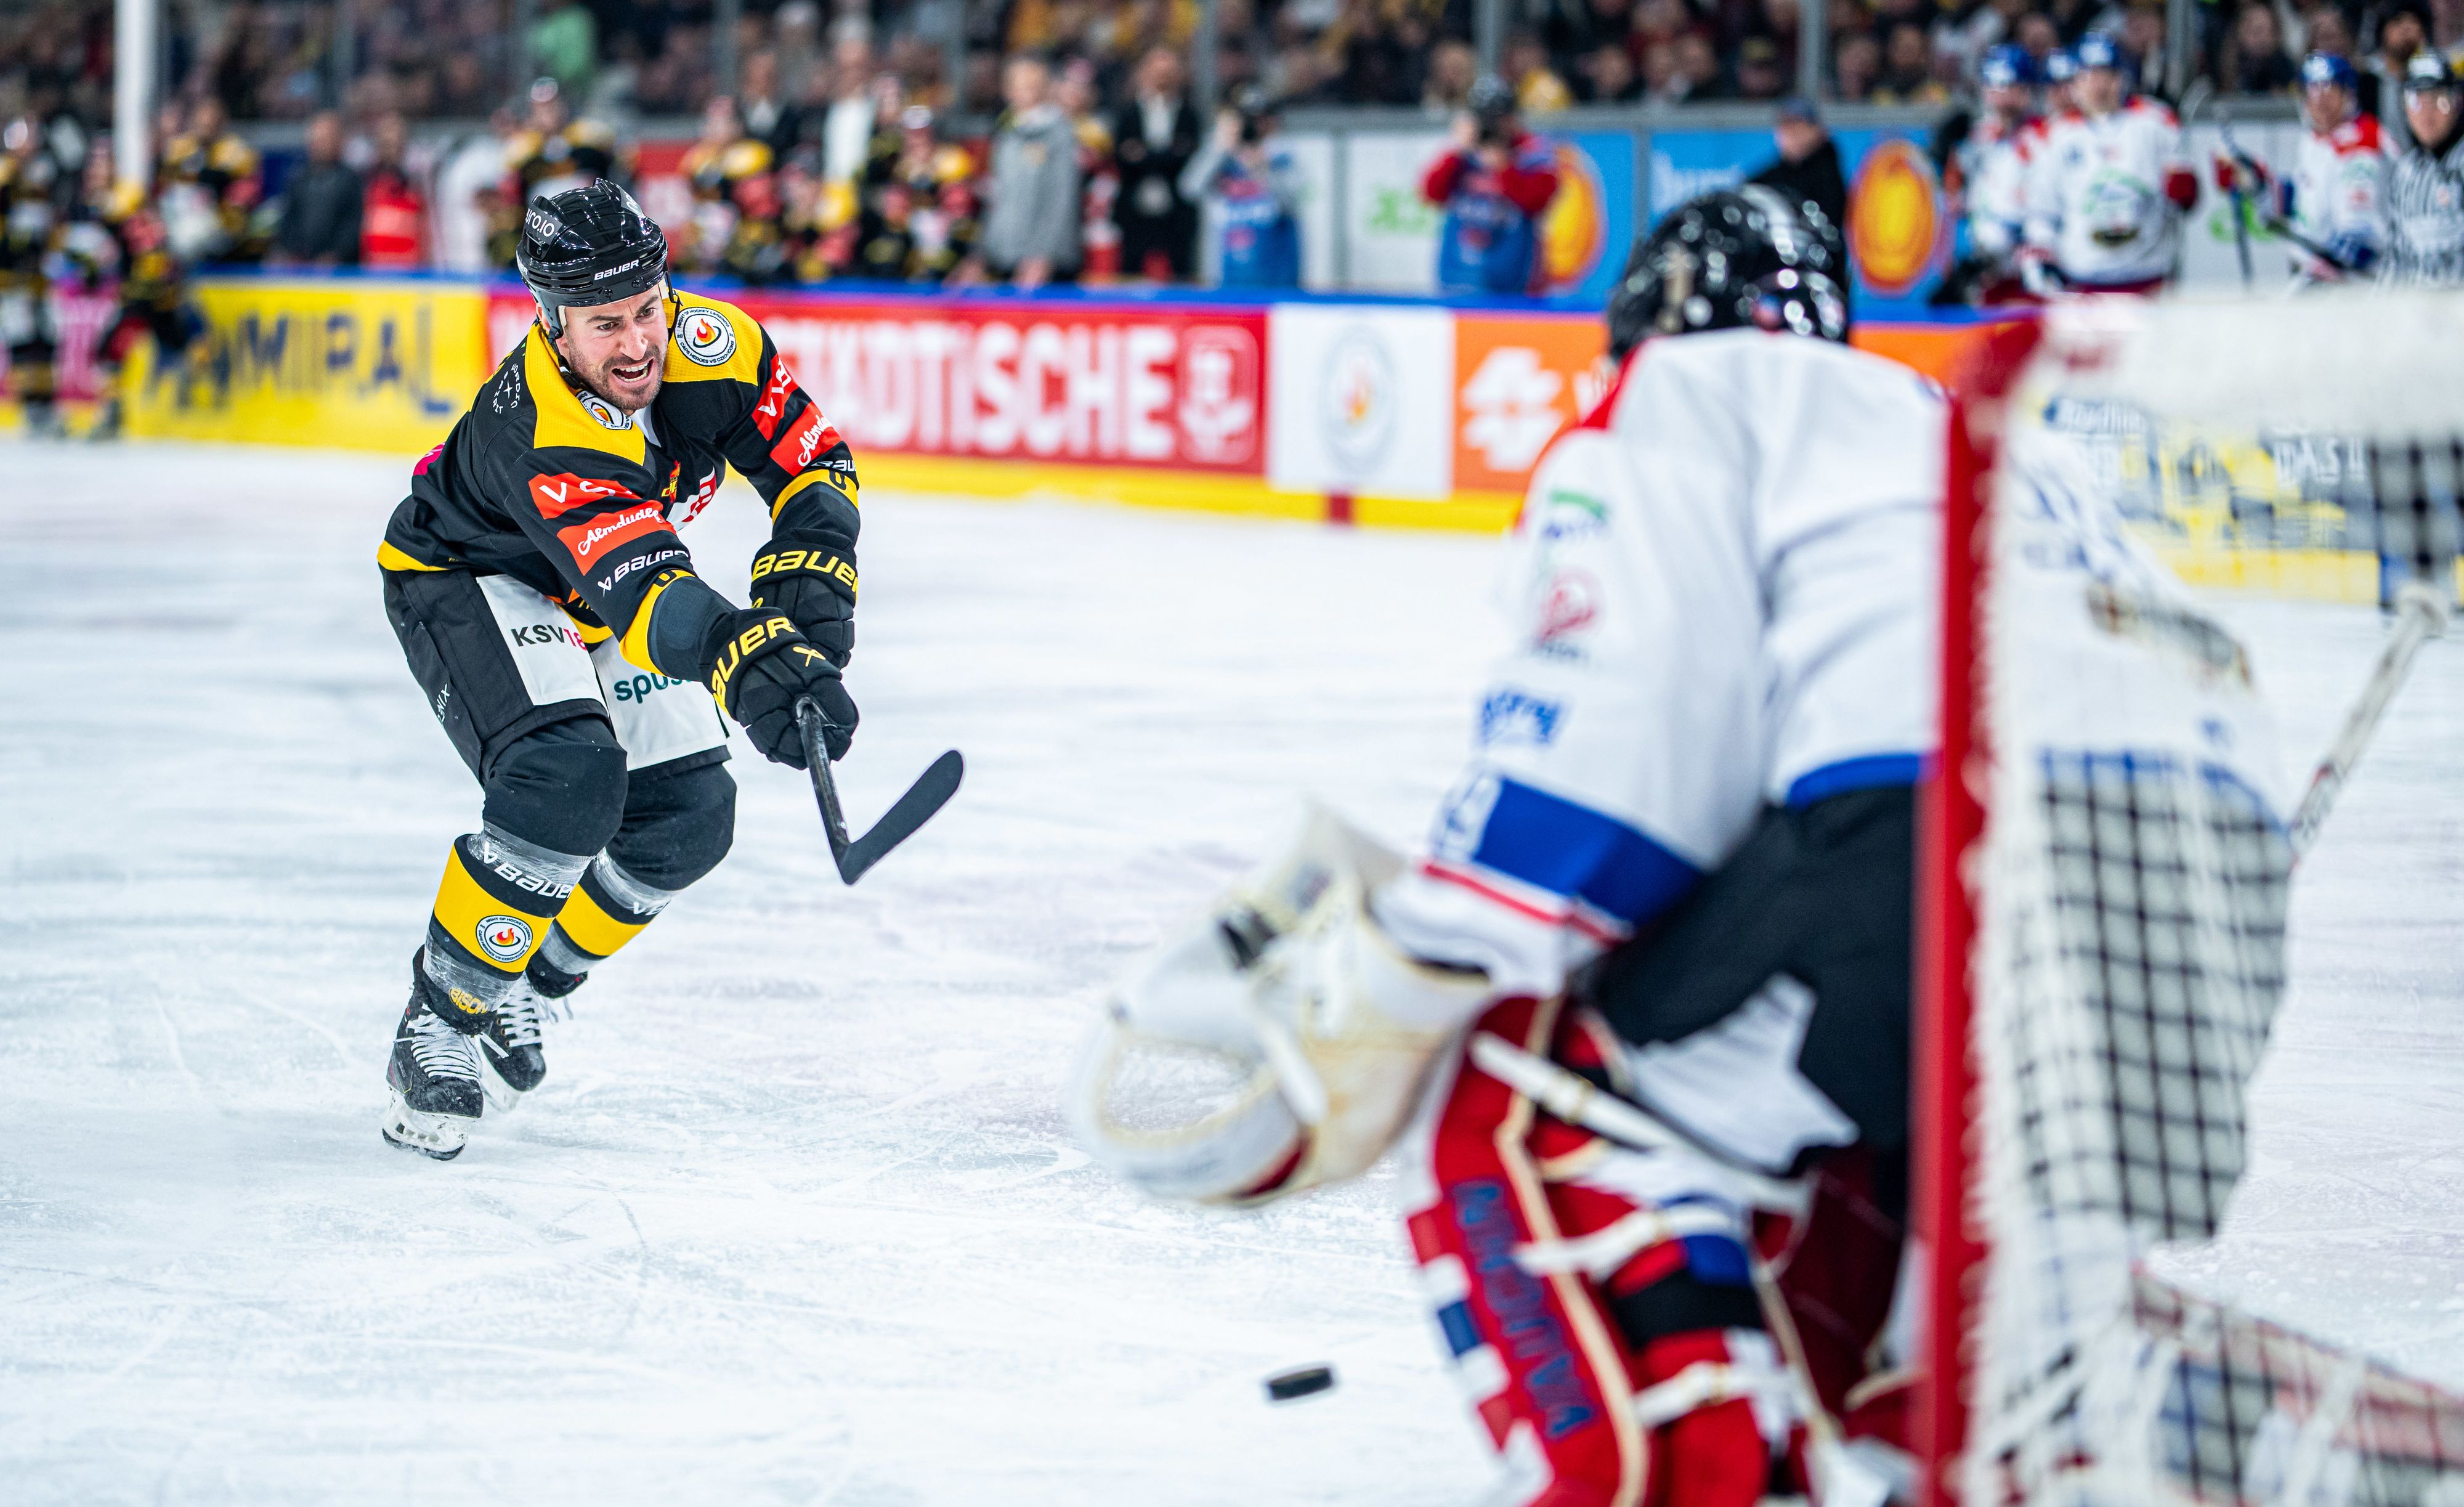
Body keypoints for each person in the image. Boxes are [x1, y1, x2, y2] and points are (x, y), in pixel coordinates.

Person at [1071, 183, 2285, 1505]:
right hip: (2208, 936)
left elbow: (1626, 758)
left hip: (1949, 860)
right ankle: (1949, 1434)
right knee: (1934, 1284)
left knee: (1522, 1095)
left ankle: (1676, 1473)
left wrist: (1413, 961)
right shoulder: (1959, 431)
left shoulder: (1689, 394)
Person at [374, 182, 862, 1160]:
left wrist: (811, 592)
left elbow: (816, 466)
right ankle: (444, 1012)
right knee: (565, 784)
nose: (638, 343)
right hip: (476, 579)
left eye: (648, 307)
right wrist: (744, 656)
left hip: (598, 586)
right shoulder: (543, 424)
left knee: (688, 819)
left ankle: (532, 980)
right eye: (606, 324)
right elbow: (648, 592)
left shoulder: (714, 345)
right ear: (552, 325)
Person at [2020, 31, 2196, 294]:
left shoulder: (2157, 122)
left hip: (2151, 278)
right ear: (2076, 83)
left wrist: (2184, 189)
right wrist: (2042, 259)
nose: (2099, 86)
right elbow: (2042, 212)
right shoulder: (2055, 136)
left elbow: (2185, 199)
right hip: (2083, 281)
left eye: (2108, 75)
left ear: (2122, 79)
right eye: (2090, 76)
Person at [2213, 52, 2387, 286]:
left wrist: (2326, 266)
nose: (2320, 100)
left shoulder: (2362, 139)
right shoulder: (2314, 140)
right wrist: (2255, 179)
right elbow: (2303, 205)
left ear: (2348, 94)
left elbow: (2360, 237)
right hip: (2321, 277)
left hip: (2352, 285)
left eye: (2329, 90)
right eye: (2313, 91)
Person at [1421, 75, 1561, 295]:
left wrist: (1503, 168)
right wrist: (1457, 151)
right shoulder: (1461, 154)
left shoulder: (1533, 152)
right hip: (1459, 275)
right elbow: (1431, 192)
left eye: (1498, 117)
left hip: (1513, 281)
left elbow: (1538, 201)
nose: (1492, 125)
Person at [1934, 46, 2040, 304]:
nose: (2002, 97)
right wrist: (1946, 164)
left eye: (2011, 87)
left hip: (2029, 267)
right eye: (1994, 86)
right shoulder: (1973, 139)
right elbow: (1955, 202)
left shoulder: (2044, 137)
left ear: (2027, 90)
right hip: (1985, 269)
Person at [973, 54, 1082, 289]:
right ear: (1007, 90)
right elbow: (997, 196)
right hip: (1004, 255)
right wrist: (981, 252)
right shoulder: (1006, 133)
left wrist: (1043, 255)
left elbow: (1061, 199)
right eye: (1018, 85)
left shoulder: (1059, 133)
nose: (1025, 92)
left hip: (1042, 265)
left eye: (1032, 85)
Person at [1180, 84, 1302, 290]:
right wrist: (1219, 148)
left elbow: (1290, 204)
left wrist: (1261, 166)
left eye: (1262, 118)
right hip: (1226, 271)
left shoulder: (1283, 154)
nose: (1255, 126)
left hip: (1276, 272)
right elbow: (1189, 189)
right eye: (1248, 119)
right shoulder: (1221, 156)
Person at [1111, 47, 1202, 281]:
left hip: (1177, 210)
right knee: (1130, 272)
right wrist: (1168, 155)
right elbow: (1122, 158)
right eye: (1156, 71)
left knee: (1182, 272)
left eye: (1168, 72)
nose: (1162, 77)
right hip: (1135, 208)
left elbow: (1189, 160)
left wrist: (1145, 156)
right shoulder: (1127, 114)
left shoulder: (1189, 115)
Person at [2384, 51, 2464, 285]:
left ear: (2456, 102)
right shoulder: (2405, 173)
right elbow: (2395, 259)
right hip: (2417, 315)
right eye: (2416, 102)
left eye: (2438, 100)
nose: (2427, 114)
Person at [271, 110, 363, 268]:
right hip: (299, 266)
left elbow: (353, 225)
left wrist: (336, 255)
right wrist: (292, 251)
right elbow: (289, 220)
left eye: (326, 139)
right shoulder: (298, 177)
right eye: (316, 139)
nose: (320, 144)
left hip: (340, 269)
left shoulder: (351, 180)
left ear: (339, 141)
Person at [1748, 96, 1849, 230]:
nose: (1792, 135)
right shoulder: (1768, 178)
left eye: (1799, 126)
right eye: (1786, 127)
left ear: (1817, 131)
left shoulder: (1827, 175)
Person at [360, 113, 430, 272]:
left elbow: (426, 229)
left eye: (397, 142)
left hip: (410, 271)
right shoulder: (367, 182)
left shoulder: (417, 182)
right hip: (375, 270)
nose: (392, 149)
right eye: (387, 143)